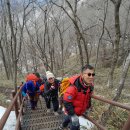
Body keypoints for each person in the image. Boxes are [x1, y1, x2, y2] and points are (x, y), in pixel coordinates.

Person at [59, 64, 95, 130]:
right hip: (71, 110)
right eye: (89, 74)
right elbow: (66, 101)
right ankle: (64, 125)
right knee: (75, 125)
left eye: (93, 74)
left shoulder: (90, 86)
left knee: (68, 117)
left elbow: (88, 97)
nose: (91, 77)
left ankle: (62, 126)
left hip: (78, 110)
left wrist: (88, 107)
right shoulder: (73, 87)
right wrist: (73, 115)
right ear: (82, 75)